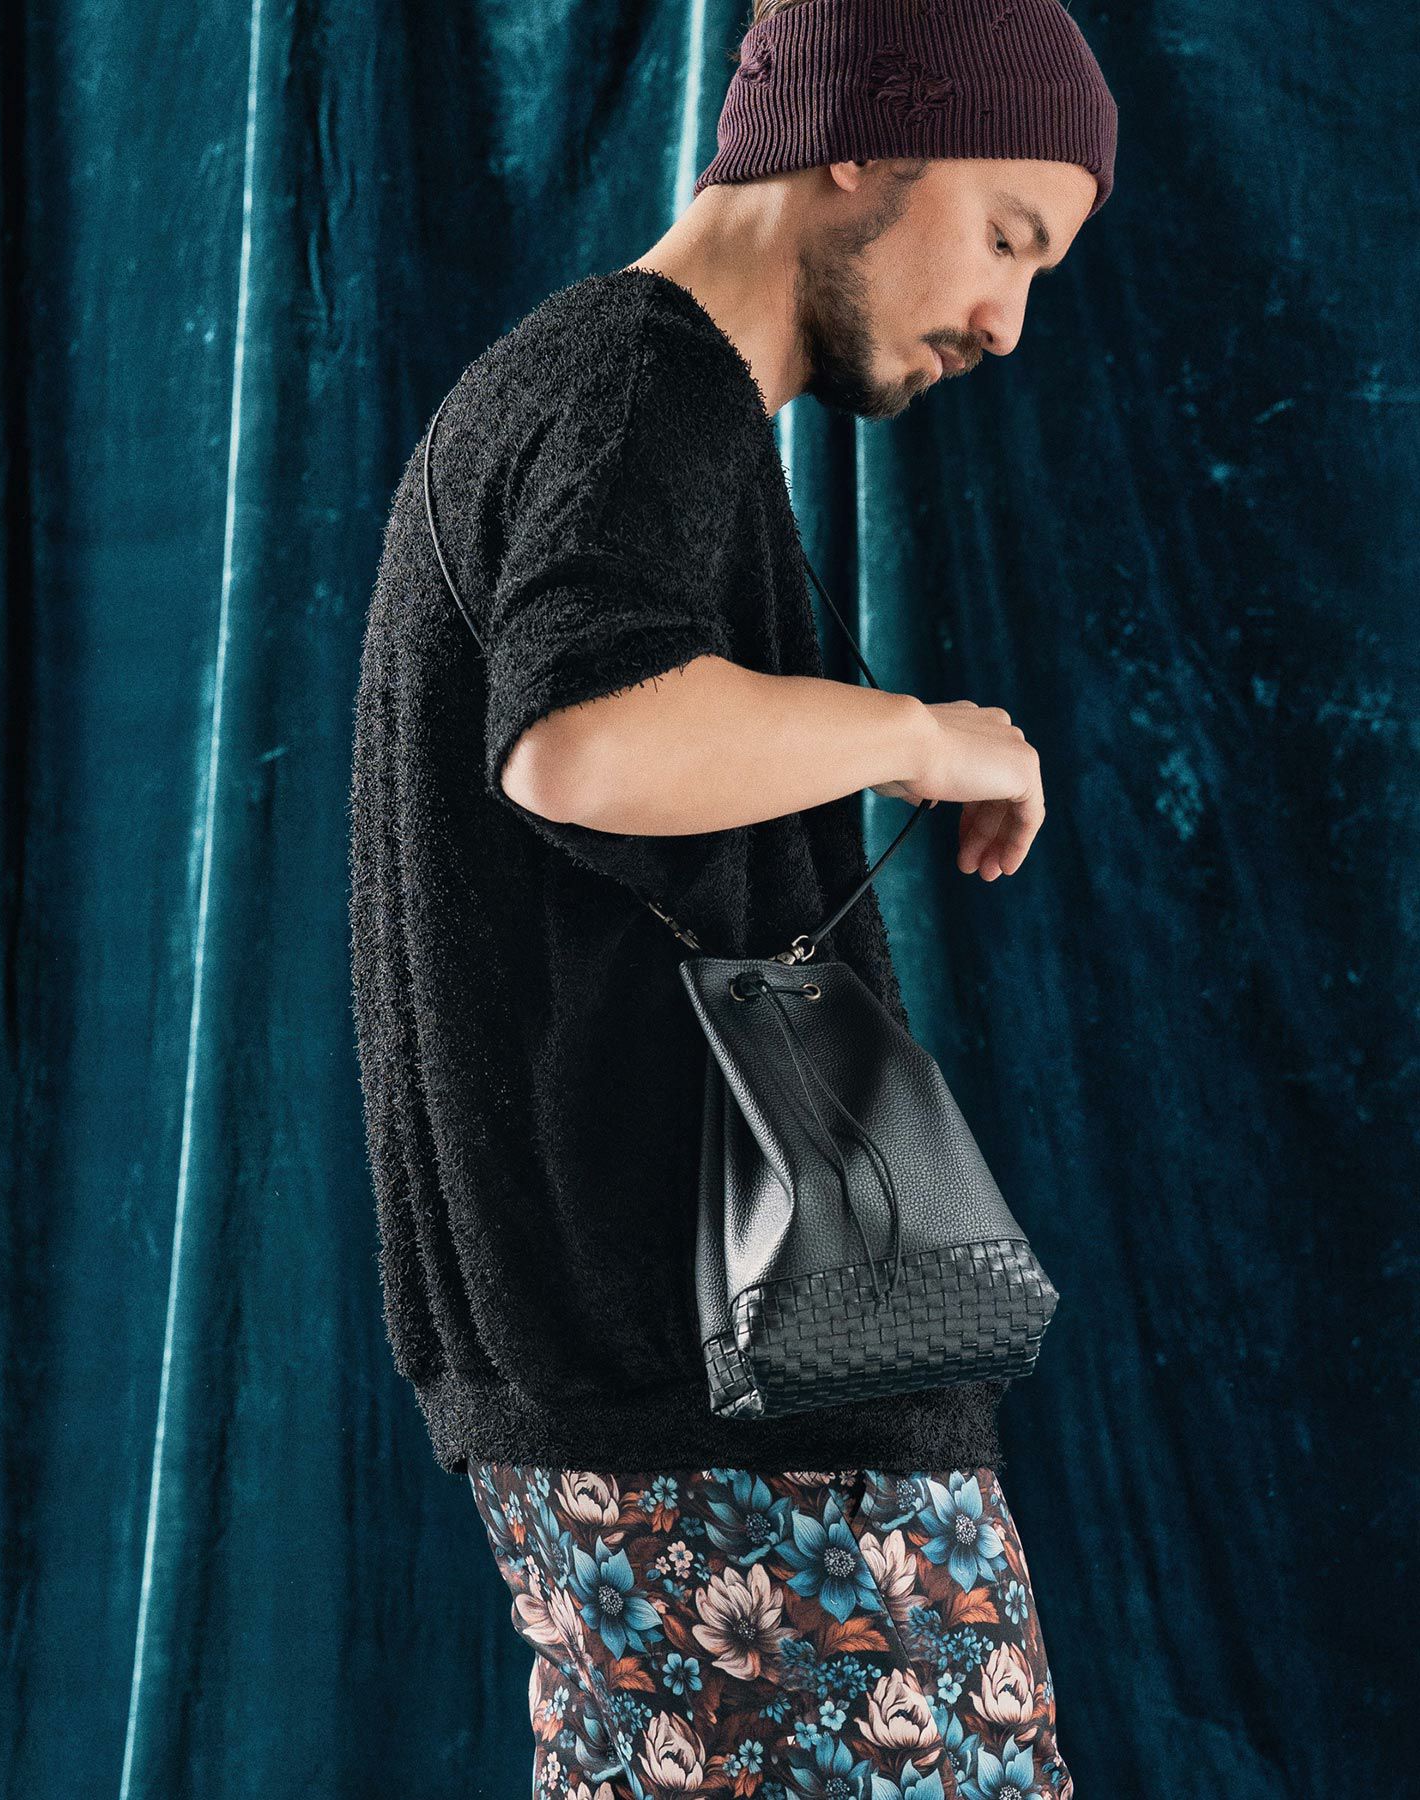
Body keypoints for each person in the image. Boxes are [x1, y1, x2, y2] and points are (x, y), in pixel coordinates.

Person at [347, 0, 1116, 1791]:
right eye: (1007, 234)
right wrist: (921, 735)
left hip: (635, 1413)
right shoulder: (647, 378)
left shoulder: (570, 389)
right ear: (861, 137)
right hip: (742, 1420)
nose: (1007, 318)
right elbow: (584, 742)